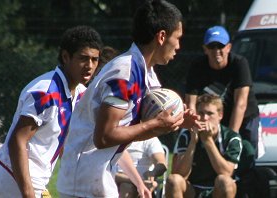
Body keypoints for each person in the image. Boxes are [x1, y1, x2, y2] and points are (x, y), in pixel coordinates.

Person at [57, 1, 200, 197]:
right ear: (162, 36)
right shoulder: (125, 73)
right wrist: (155, 124)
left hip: (98, 174)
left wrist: (175, 122)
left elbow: (133, 132)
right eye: (178, 38)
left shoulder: (146, 74)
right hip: (84, 180)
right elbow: (104, 137)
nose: (178, 46)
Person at [0, 25, 103, 198]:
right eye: (83, 58)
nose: (89, 65)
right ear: (66, 57)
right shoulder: (46, 92)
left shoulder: (80, 92)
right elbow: (17, 141)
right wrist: (29, 194)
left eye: (95, 60)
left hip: (34, 181)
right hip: (13, 178)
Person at [185, 25, 260, 157]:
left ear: (229, 47)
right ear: (205, 49)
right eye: (211, 47)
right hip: (215, 116)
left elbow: (240, 104)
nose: (216, 51)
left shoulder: (239, 64)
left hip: (244, 117)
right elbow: (191, 103)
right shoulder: (197, 66)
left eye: (220, 46)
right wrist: (195, 129)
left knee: (245, 153)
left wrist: (230, 138)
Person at [166, 94, 243, 198]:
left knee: (225, 182)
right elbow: (179, 174)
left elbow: (226, 172)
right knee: (173, 180)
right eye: (201, 113)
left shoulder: (232, 137)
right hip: (191, 189)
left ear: (220, 115)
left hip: (216, 190)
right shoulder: (186, 135)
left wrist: (208, 141)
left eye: (210, 113)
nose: (205, 118)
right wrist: (193, 142)